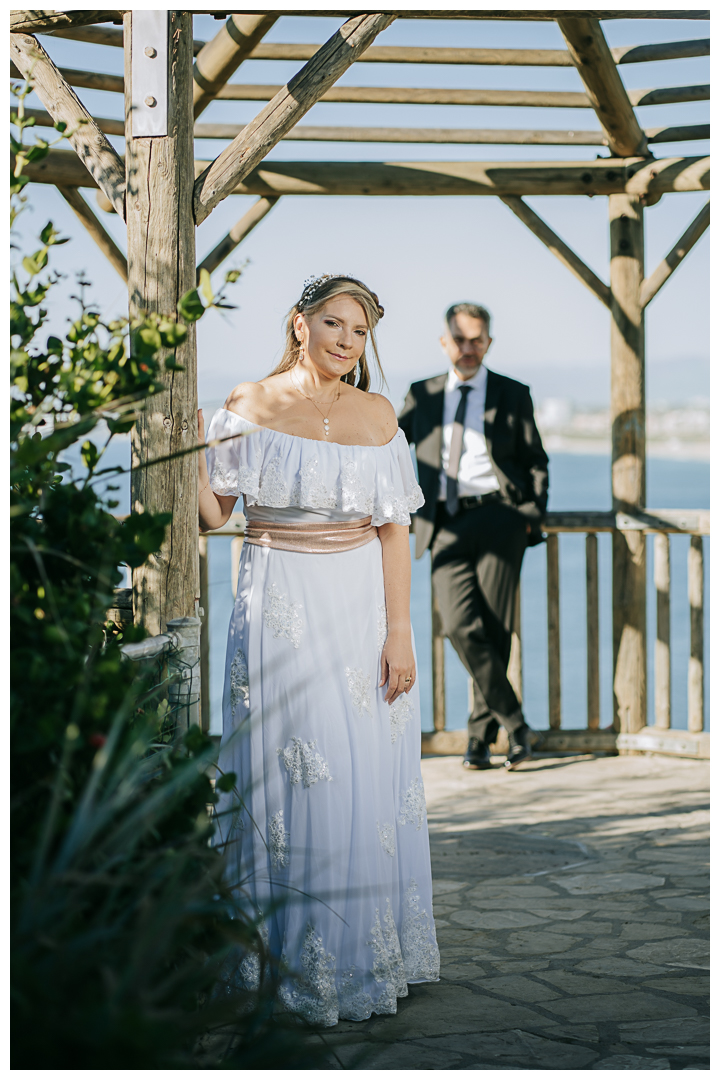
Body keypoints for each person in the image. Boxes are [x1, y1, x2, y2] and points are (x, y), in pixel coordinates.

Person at [198, 275, 440, 1028]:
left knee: (358, 767)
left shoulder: (377, 414)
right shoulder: (251, 401)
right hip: (275, 599)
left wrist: (399, 633)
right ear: (299, 323)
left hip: (359, 603)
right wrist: (184, 453)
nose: (346, 340)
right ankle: (272, 953)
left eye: (360, 331)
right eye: (333, 323)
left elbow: (394, 529)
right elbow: (214, 513)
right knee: (286, 766)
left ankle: (361, 952)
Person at [398, 302, 548, 771]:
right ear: (446, 342)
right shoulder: (420, 395)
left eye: (477, 339)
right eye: (460, 339)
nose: (468, 348)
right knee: (460, 626)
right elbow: (391, 447)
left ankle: (480, 742)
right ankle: (518, 727)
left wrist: (530, 514)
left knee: (496, 630)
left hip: (501, 518)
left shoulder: (512, 393)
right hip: (442, 523)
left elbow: (536, 460)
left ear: (489, 342)